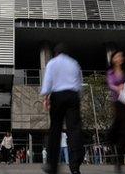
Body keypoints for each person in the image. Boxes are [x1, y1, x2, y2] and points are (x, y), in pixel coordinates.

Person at [41, 43, 84, 174]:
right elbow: (79, 83)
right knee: (74, 130)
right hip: (73, 95)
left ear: (56, 53)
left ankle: (52, 165)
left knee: (55, 129)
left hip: (58, 96)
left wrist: (46, 96)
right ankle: (75, 165)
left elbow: (48, 82)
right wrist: (77, 97)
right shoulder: (74, 63)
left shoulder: (52, 63)